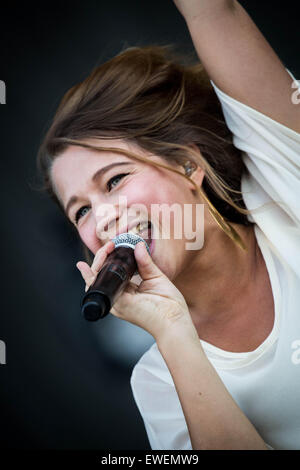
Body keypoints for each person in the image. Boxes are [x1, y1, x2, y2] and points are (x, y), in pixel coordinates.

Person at [36, 0, 300, 450]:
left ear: (187, 164)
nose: (101, 219)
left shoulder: (284, 187)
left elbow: (214, 10)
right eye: (80, 211)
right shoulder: (158, 380)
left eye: (115, 179)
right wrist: (174, 332)